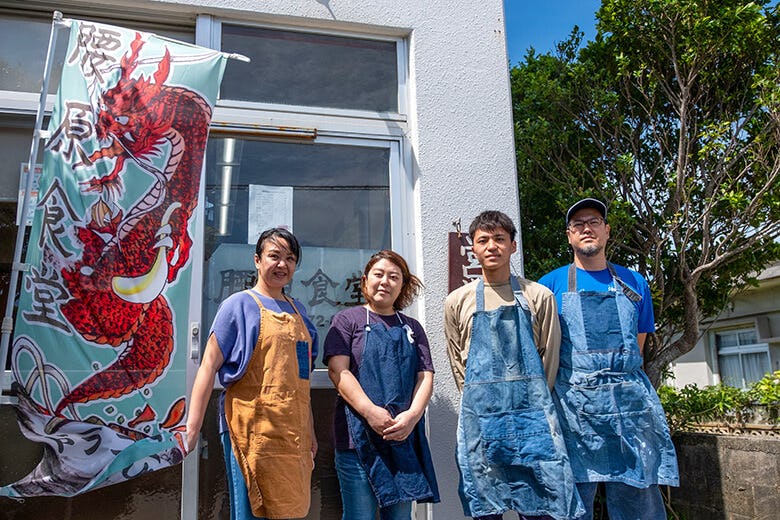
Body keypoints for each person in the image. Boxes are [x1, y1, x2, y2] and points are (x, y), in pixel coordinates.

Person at [539, 198, 679, 520]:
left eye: (594, 222)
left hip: (630, 408)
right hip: (574, 410)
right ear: (569, 235)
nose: (587, 228)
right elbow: (543, 348)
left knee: (639, 500)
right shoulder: (549, 286)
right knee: (571, 504)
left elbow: (638, 347)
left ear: (606, 231)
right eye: (578, 224)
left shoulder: (635, 283)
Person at [444, 210, 583, 520]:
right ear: (473, 248)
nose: (491, 246)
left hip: (532, 421)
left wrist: (530, 400)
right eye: (483, 240)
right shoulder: (457, 301)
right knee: (486, 507)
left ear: (513, 246)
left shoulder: (539, 296)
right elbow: (457, 362)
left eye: (499, 239)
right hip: (481, 420)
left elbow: (549, 358)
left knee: (541, 508)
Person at [186, 228, 319, 520]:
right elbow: (208, 365)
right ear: (257, 260)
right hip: (249, 430)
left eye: (290, 258)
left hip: (291, 435)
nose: (282, 264)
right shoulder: (237, 306)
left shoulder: (302, 315)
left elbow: (301, 381)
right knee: (248, 513)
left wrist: (309, 431)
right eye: (274, 256)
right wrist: (192, 427)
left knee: (289, 511)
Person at [324, 250, 440, 520]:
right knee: (359, 516)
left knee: (400, 516)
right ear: (365, 281)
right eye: (378, 274)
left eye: (393, 277)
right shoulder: (347, 320)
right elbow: (337, 371)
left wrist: (412, 416)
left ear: (402, 286)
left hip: (401, 438)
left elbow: (425, 375)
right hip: (356, 440)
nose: (385, 281)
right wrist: (370, 411)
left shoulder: (412, 327)